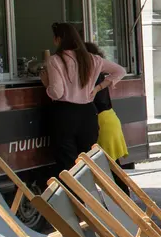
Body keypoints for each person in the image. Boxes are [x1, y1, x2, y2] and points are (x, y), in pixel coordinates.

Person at [41, 22, 126, 174]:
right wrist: (98, 87)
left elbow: (57, 93)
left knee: (67, 162)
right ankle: (87, 195)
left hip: (64, 113)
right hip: (88, 113)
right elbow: (120, 71)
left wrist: (46, 83)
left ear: (58, 39)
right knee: (86, 159)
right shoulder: (92, 59)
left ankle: (74, 197)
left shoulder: (55, 60)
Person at [84, 42, 129, 164]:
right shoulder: (101, 76)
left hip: (102, 122)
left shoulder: (90, 77)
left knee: (108, 167)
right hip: (110, 118)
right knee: (112, 167)